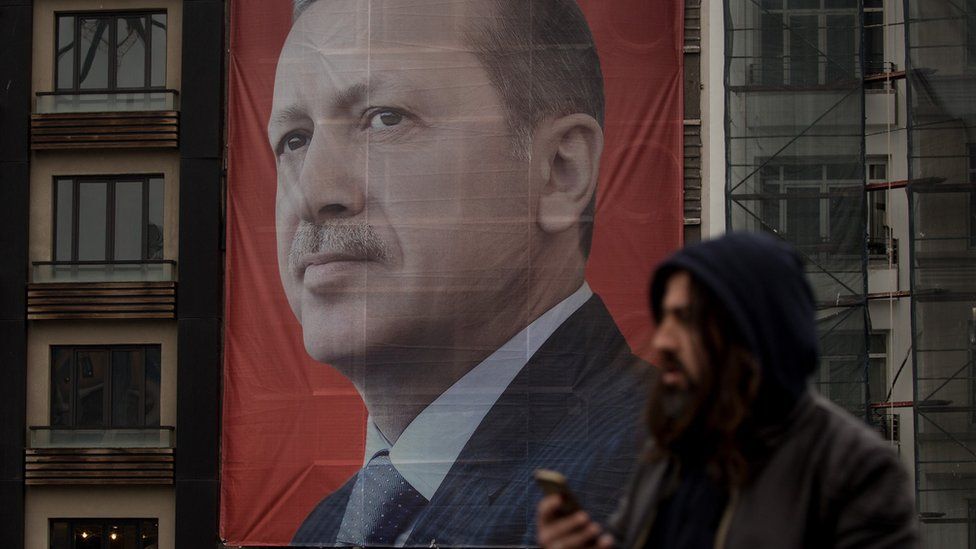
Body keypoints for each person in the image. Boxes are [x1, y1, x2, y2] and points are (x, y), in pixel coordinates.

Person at [268, 0, 648, 546]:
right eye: (295, 139)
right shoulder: (326, 528)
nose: (311, 192)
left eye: (385, 118)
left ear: (561, 171)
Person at [537, 232, 918, 549]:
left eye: (685, 319)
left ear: (751, 333)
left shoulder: (854, 470)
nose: (663, 340)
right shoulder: (667, 456)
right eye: (664, 317)